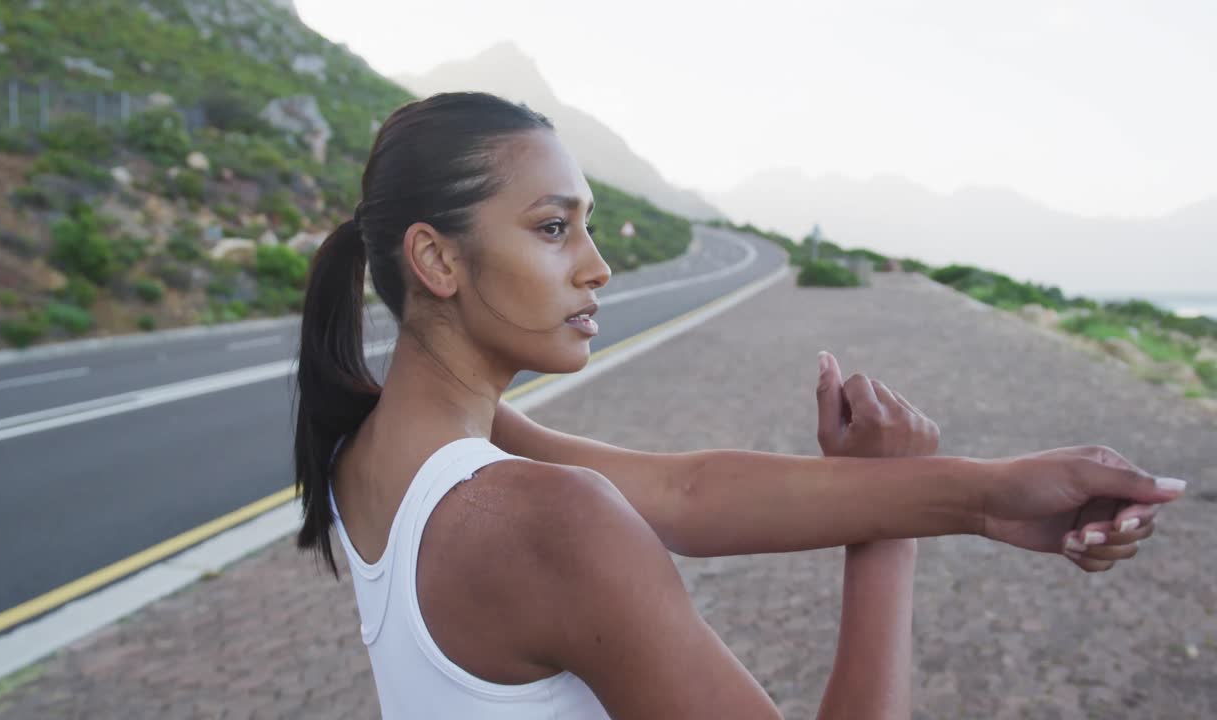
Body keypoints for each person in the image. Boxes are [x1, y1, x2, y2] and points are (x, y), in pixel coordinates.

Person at [292, 92, 1184, 719]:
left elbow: (685, 494)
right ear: (436, 261)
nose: (598, 265)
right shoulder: (538, 518)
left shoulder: (373, 445)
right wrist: (892, 535)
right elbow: (635, 506)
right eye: (554, 227)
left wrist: (983, 495)